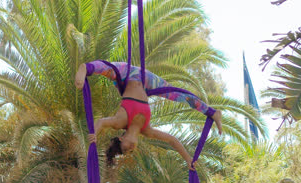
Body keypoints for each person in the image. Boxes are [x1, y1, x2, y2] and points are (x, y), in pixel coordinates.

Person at [75, 61, 222, 170]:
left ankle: (86, 68)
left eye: (126, 148)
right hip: (147, 80)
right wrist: (188, 159)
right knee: (178, 95)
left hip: (126, 73)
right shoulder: (147, 130)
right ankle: (212, 112)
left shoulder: (121, 122)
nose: (131, 148)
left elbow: (101, 122)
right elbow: (172, 140)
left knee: (107, 69)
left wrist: (94, 133)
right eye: (131, 151)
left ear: (121, 138)